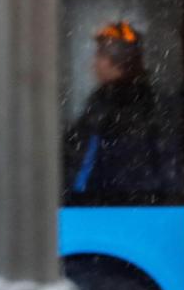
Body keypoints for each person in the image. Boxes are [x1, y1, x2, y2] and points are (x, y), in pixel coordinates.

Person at [66, 21, 164, 196]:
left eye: (98, 56)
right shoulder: (151, 100)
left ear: (114, 62)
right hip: (148, 203)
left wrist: (73, 196)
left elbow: (82, 162)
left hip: (103, 205)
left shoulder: (105, 104)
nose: (93, 64)